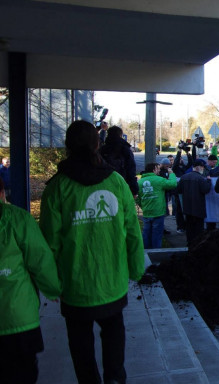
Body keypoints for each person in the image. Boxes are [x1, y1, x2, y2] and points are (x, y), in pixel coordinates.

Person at [39, 120, 145, 384]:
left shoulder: (56, 188)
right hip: (112, 282)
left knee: (80, 348)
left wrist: (52, 285)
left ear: (67, 147)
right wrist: (136, 268)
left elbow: (49, 242)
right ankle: (115, 379)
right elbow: (132, 230)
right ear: (97, 144)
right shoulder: (117, 183)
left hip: (75, 289)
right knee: (114, 338)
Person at [0, 176, 62, 384]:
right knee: (22, 371)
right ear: (2, 193)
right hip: (17, 317)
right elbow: (40, 260)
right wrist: (53, 289)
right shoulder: (16, 219)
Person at [137, 162, 178, 248]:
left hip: (146, 212)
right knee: (157, 234)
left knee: (146, 233)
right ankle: (156, 253)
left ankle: (146, 252)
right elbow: (172, 184)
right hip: (158, 212)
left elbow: (137, 198)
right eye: (158, 168)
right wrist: (172, 174)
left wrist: (143, 206)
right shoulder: (159, 180)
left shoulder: (140, 182)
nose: (159, 170)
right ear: (154, 169)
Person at [177, 158, 211, 247]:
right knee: (198, 228)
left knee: (189, 227)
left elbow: (179, 190)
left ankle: (190, 242)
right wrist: (209, 181)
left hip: (187, 207)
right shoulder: (200, 178)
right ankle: (198, 244)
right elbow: (206, 190)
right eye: (202, 167)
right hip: (198, 207)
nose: (203, 169)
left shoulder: (184, 177)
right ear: (199, 167)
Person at [99, 126, 139, 197]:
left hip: (104, 184)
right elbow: (131, 169)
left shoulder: (102, 149)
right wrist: (134, 190)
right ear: (120, 135)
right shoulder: (125, 149)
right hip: (121, 183)